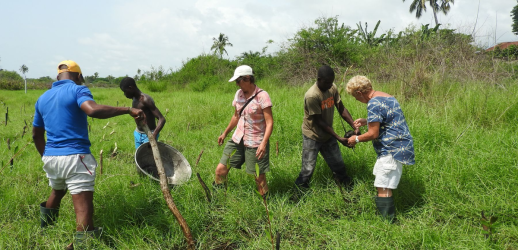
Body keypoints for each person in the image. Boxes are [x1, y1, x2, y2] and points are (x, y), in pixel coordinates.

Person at [32, 60, 144, 249]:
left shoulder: (42, 98)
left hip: (51, 157)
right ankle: (84, 243)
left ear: (58, 77)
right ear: (78, 76)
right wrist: (127, 109)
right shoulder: (77, 90)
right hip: (76, 158)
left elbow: (36, 135)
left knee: (57, 191)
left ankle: (45, 231)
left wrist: (46, 156)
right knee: (83, 208)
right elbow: (91, 110)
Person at [345, 75, 415, 222]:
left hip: (391, 149)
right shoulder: (386, 96)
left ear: (359, 93)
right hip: (400, 145)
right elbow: (387, 118)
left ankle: (388, 223)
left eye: (355, 97)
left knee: (383, 186)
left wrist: (356, 139)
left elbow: (373, 133)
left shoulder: (373, 103)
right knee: (382, 182)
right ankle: (387, 220)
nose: (357, 100)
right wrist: (367, 120)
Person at [295, 65, 359, 189]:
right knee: (307, 169)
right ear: (319, 79)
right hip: (312, 136)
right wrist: (339, 138)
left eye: (332, 82)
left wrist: (354, 125)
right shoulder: (312, 96)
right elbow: (319, 121)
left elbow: (341, 108)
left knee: (338, 164)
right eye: (327, 82)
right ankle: (298, 194)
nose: (330, 85)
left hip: (328, 134)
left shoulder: (332, 87)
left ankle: (347, 188)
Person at [213, 65, 273, 197]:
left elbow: (269, 123)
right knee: (220, 170)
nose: (237, 85)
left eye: (238, 81)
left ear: (247, 79)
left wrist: (263, 143)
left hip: (256, 140)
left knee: (259, 178)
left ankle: (267, 206)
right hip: (238, 138)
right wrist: (225, 133)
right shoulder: (238, 94)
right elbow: (236, 116)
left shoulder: (262, 96)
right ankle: (217, 199)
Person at [119, 77, 166, 149]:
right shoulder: (134, 98)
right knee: (139, 157)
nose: (125, 94)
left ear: (131, 88)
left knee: (149, 158)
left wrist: (153, 136)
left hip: (149, 135)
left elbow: (161, 119)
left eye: (125, 91)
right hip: (138, 133)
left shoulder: (145, 99)